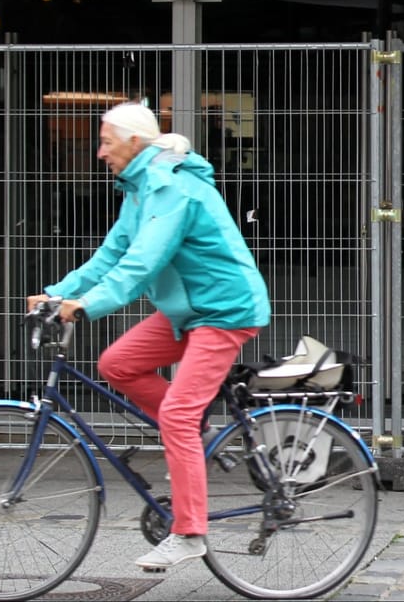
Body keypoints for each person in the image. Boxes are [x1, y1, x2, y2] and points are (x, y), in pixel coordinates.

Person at [26, 101, 270, 571]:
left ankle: (189, 531)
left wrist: (88, 306)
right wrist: (56, 294)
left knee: (176, 414)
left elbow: (142, 264)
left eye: (106, 142)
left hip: (223, 310)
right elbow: (110, 254)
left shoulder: (170, 187)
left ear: (135, 143)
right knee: (116, 364)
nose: (99, 153)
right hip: (186, 311)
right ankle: (198, 434)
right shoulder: (139, 188)